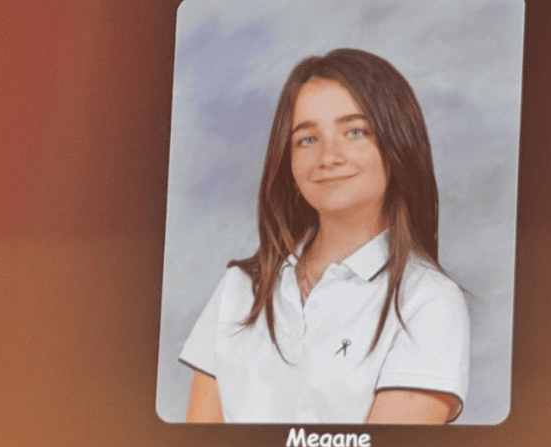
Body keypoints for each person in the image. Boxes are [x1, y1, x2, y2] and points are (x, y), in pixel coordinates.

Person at [183, 48, 469, 425]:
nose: (328, 156)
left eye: (354, 132)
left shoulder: (427, 302)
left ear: (398, 144)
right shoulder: (239, 289)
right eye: (306, 139)